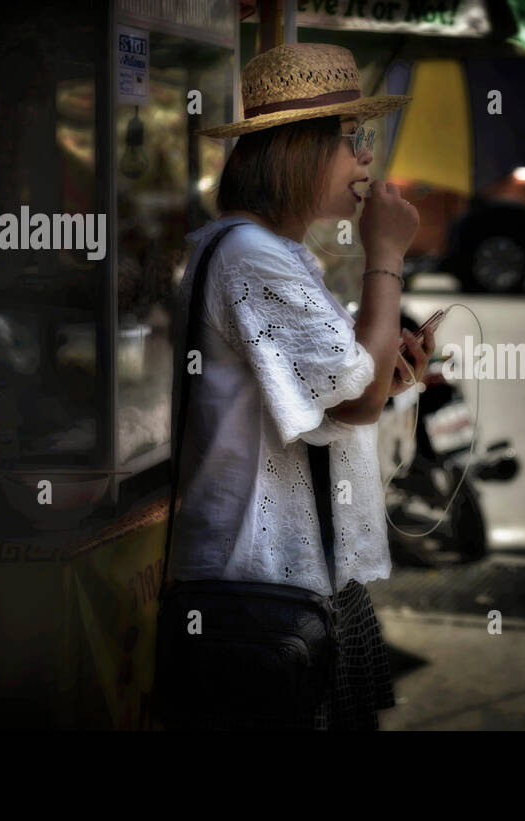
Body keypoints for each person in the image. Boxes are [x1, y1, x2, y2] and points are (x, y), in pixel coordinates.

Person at [164, 43, 431, 729]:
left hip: (301, 578)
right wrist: (387, 256)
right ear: (298, 152)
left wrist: (386, 358)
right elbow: (357, 395)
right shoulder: (249, 255)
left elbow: (346, 382)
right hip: (259, 586)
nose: (366, 158)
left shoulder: (276, 251)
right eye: (350, 141)